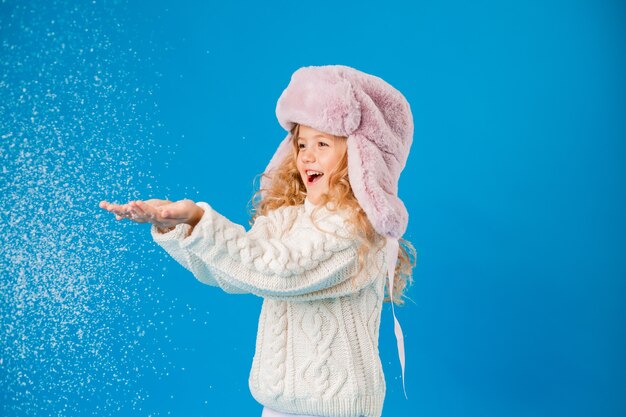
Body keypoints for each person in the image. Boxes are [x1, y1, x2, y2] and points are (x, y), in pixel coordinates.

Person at [100, 64, 417, 417]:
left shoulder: (358, 231)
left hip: (336, 409)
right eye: (301, 144)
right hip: (277, 407)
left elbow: (281, 271)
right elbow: (236, 271)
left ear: (358, 158)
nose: (306, 156)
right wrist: (179, 225)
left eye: (322, 144)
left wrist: (200, 218)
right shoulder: (287, 219)